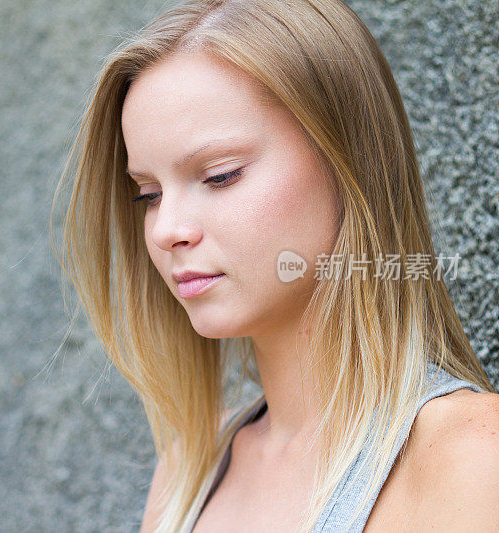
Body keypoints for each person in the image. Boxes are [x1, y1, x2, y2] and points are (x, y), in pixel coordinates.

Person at [49, 0, 499, 531]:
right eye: (147, 194)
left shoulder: (471, 455)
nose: (167, 229)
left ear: (347, 163)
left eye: (220, 175)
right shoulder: (185, 477)